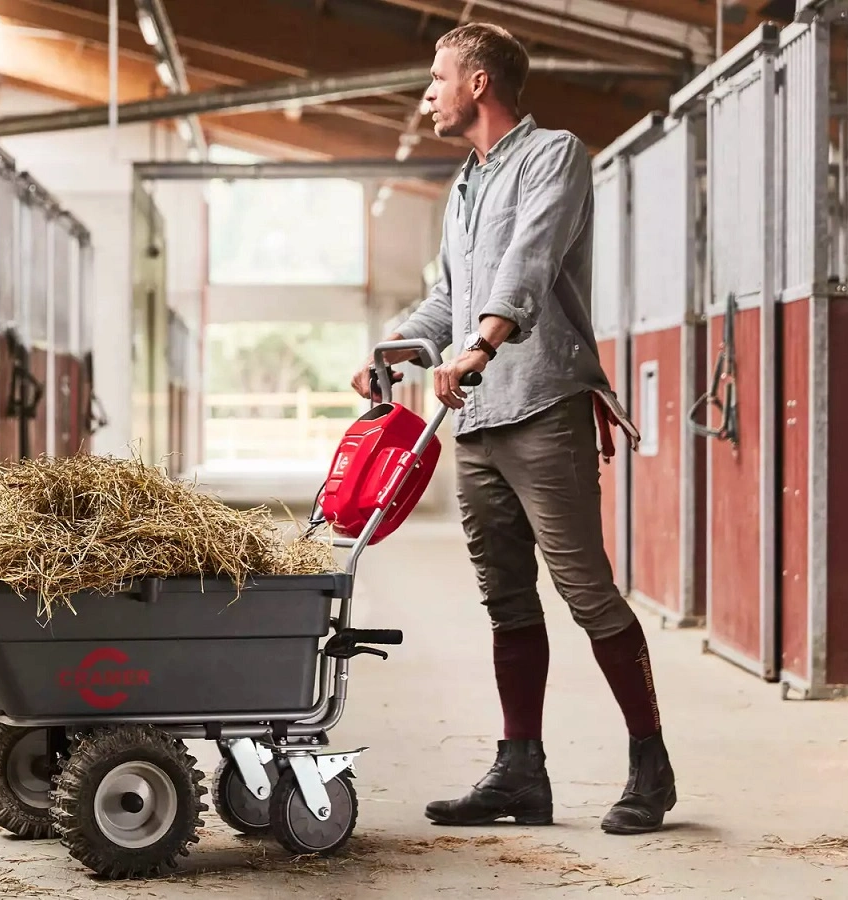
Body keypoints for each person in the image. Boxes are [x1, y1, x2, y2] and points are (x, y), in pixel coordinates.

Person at [352, 22, 673, 835]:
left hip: (540, 404)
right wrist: (392, 351)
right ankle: (520, 773)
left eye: (437, 77)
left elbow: (526, 266)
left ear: (479, 84)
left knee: (586, 590)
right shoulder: (463, 187)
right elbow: (446, 299)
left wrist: (478, 348)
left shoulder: (554, 155)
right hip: (475, 420)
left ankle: (651, 764)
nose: (427, 93)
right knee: (506, 601)